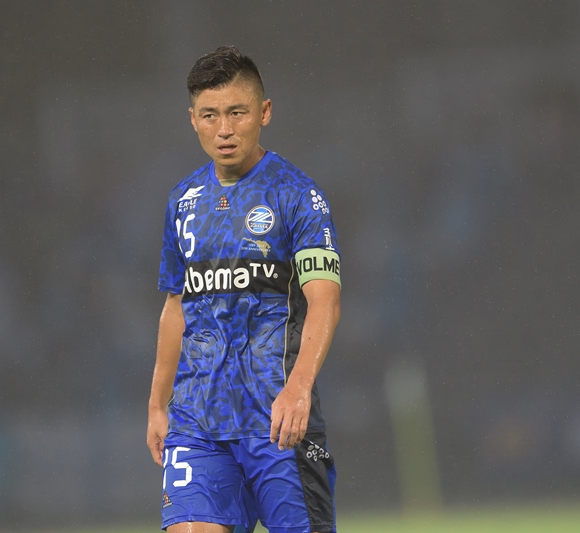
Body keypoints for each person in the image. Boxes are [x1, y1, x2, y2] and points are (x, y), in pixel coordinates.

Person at [146, 45, 342, 533]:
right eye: (210, 115)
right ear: (193, 119)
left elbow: (325, 301)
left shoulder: (298, 196)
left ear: (264, 112)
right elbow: (176, 306)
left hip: (277, 420)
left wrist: (298, 388)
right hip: (198, 422)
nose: (224, 129)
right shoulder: (183, 202)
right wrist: (157, 405)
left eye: (237, 112)